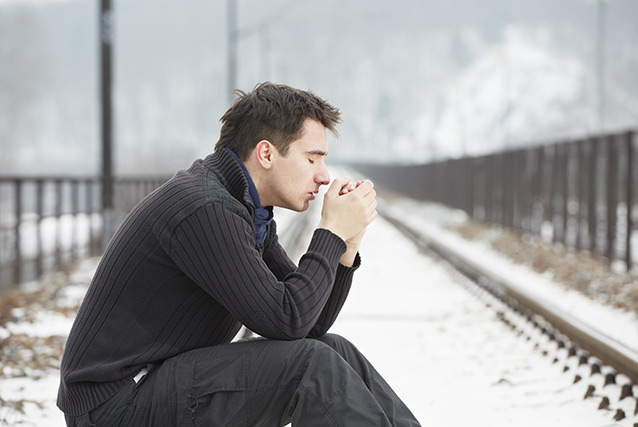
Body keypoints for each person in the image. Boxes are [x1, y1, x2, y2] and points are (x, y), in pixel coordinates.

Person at [58, 82, 421, 426]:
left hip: (157, 381)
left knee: (335, 349)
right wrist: (329, 233)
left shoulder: (245, 209)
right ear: (266, 153)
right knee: (311, 366)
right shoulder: (204, 208)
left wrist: (345, 246)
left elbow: (309, 325)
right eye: (313, 159)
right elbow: (287, 320)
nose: (324, 176)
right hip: (115, 403)